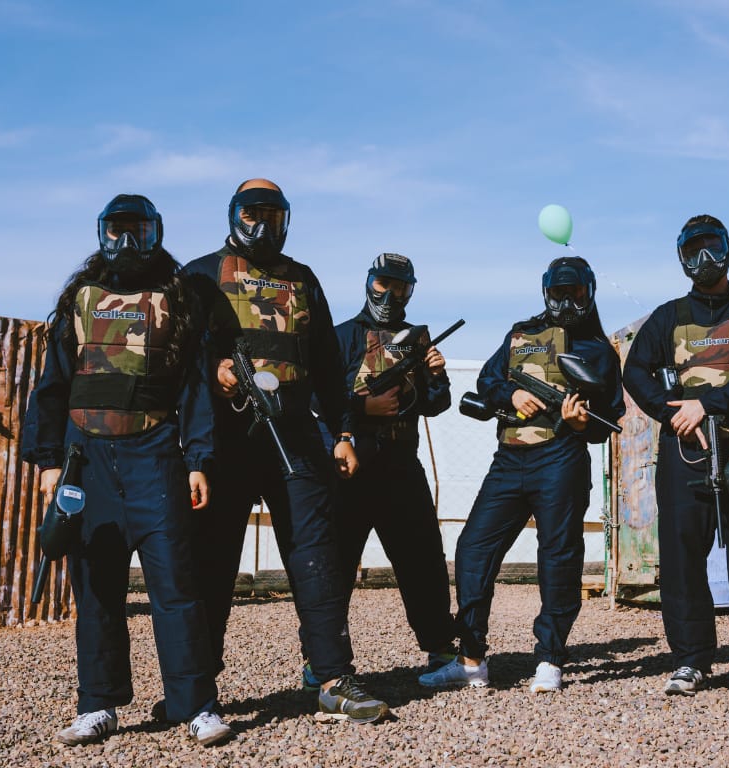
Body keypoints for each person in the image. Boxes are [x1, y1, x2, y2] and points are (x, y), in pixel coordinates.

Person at [21, 194, 233, 746]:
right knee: (95, 588)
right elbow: (52, 386)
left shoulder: (177, 298)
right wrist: (48, 462)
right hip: (85, 461)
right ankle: (98, 704)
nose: (126, 244)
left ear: (155, 232)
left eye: (137, 232)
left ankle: (195, 705)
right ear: (101, 235)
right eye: (116, 232)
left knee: (176, 586)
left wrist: (198, 461)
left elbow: (196, 390)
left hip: (156, 458)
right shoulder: (82, 299)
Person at [181, 179, 388, 724]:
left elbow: (324, 365)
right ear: (233, 214)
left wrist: (342, 432)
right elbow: (175, 359)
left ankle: (333, 679)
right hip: (225, 441)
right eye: (253, 212)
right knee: (213, 565)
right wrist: (214, 371)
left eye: (274, 214)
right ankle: (200, 693)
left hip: (295, 437)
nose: (263, 224)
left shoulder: (302, 278)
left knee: (316, 559)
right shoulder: (201, 275)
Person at [419, 255, 624, 693]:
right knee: (473, 548)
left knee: (558, 557)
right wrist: (512, 393)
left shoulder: (599, 351)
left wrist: (582, 420)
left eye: (576, 293)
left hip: (561, 459)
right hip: (510, 458)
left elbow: (609, 418)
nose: (567, 302)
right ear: (545, 292)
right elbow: (487, 381)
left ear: (589, 294)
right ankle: (471, 659)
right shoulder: (520, 334)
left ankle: (550, 657)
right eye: (558, 293)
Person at [622, 214, 729, 704]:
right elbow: (636, 371)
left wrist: (708, 404)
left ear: (727, 250)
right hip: (685, 453)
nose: (703, 260)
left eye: (711, 248)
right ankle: (691, 661)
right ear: (682, 260)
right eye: (692, 251)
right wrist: (671, 412)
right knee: (681, 560)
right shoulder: (668, 316)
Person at [311, 252, 456, 686]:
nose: (390, 295)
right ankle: (322, 661)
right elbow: (316, 399)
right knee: (335, 565)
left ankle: (440, 649)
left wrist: (435, 373)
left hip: (400, 463)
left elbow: (437, 403)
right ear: (369, 283)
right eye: (383, 285)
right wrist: (362, 405)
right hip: (349, 464)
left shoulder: (418, 340)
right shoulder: (341, 337)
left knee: (422, 559)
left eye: (400, 287)